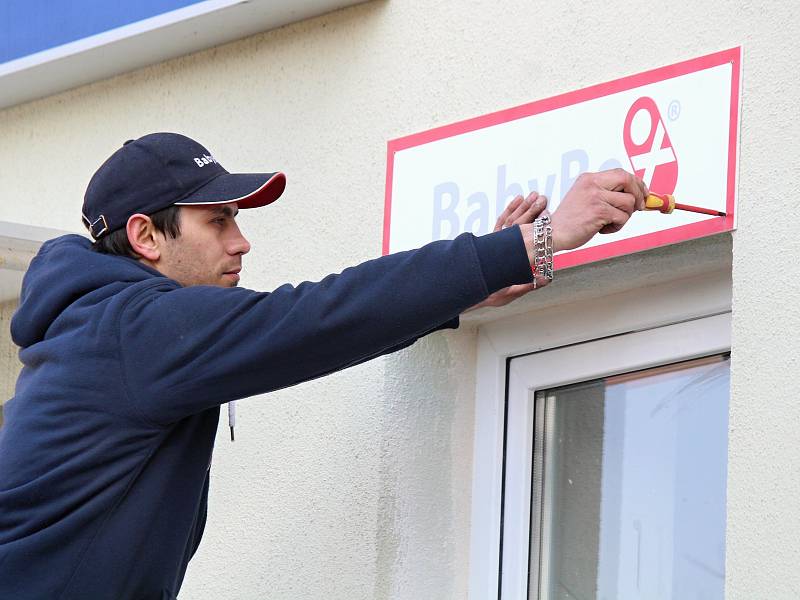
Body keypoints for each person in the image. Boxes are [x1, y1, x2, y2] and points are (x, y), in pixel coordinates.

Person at [0, 133, 646, 599]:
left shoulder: (105, 336)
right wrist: (527, 243)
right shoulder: (138, 331)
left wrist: (471, 288)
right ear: (146, 236)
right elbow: (320, 317)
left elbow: (321, 328)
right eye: (218, 219)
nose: (241, 239)